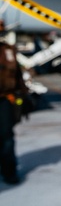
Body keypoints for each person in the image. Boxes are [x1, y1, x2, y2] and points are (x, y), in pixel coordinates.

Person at [0, 19, 28, 185]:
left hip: (5, 100)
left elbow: (17, 76)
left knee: (6, 138)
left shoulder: (8, 51)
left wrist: (23, 96)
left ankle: (9, 172)